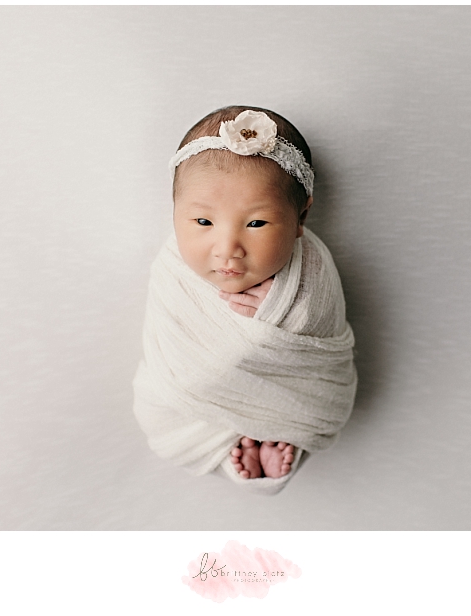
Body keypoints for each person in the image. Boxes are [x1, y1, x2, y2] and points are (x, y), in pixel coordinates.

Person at [133, 106, 357, 494]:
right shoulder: (172, 267)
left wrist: (288, 308)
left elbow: (323, 327)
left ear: (300, 218)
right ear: (174, 214)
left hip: (291, 390)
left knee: (299, 403)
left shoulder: (311, 266)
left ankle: (270, 431)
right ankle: (244, 437)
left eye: (256, 223)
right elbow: (168, 341)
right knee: (159, 404)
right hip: (190, 398)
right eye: (203, 222)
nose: (227, 249)